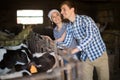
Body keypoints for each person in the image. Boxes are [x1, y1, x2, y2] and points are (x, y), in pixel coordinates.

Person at [58, 0, 109, 80]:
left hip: (99, 54)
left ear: (72, 9)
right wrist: (54, 45)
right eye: (61, 10)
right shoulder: (69, 26)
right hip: (85, 57)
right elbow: (67, 41)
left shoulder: (86, 20)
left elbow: (90, 37)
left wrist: (73, 50)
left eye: (64, 9)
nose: (61, 12)